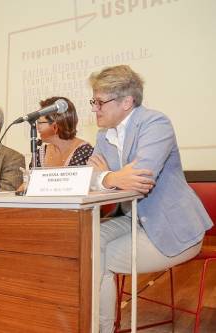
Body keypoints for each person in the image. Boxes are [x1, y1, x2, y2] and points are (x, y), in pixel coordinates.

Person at [86, 65, 213, 333]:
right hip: (132, 218)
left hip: (172, 228)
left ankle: (100, 329)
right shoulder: (103, 135)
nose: (94, 108)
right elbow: (91, 179)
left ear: (127, 101)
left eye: (100, 102)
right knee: (87, 241)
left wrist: (104, 176)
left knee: (96, 258)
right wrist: (111, 177)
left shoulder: (156, 123)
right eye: (93, 101)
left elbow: (141, 180)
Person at [35, 96, 93, 167]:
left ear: (57, 124)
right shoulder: (40, 154)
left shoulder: (84, 152)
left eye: (40, 122)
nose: (37, 127)